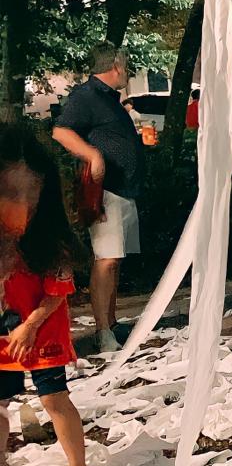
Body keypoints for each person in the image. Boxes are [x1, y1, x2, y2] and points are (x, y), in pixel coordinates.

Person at [0, 124, 95, 466]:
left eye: (29, 193)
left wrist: (30, 325)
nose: (20, 204)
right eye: (9, 192)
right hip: (6, 332)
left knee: (54, 399)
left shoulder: (52, 240)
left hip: (42, 331)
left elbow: (57, 293)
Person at [51, 45, 143, 354]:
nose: (128, 72)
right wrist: (92, 155)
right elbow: (61, 132)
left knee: (115, 259)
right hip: (106, 192)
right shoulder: (87, 95)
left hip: (124, 189)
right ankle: (103, 331)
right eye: (126, 66)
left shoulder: (109, 99)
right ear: (115, 66)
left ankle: (112, 324)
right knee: (106, 259)